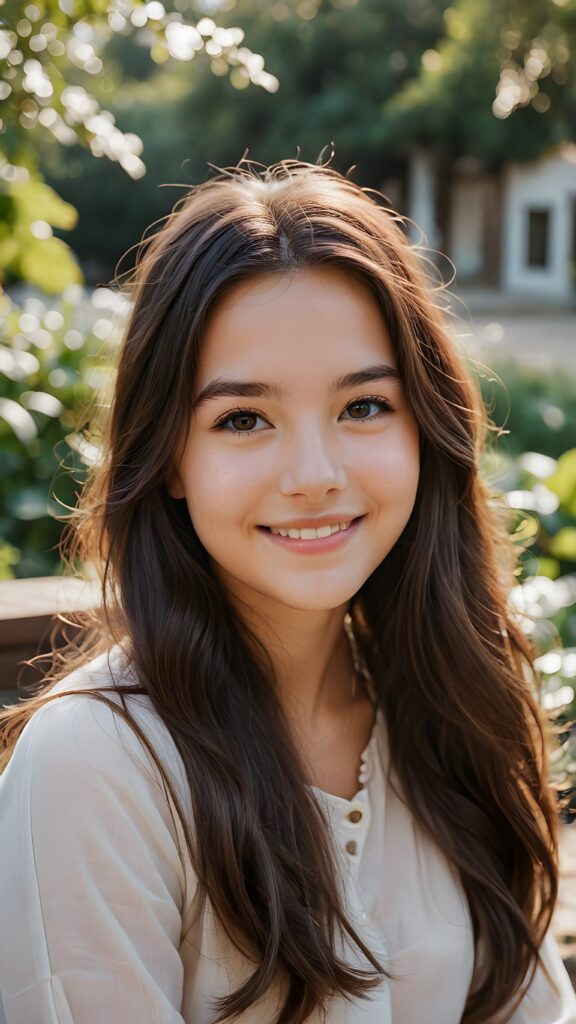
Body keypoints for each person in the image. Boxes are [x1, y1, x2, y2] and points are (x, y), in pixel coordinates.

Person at [0, 160, 574, 1024]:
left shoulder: (449, 706)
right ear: (170, 460)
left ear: (426, 427)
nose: (314, 475)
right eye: (243, 418)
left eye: (364, 406)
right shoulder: (96, 768)